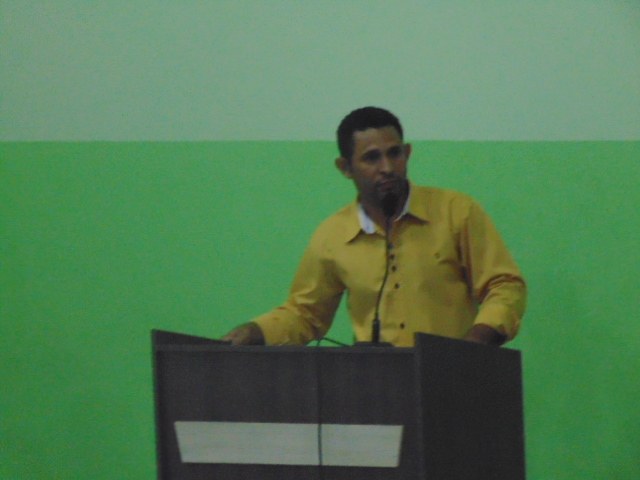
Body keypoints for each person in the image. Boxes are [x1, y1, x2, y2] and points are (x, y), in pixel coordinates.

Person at [222, 107, 526, 347]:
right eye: (371, 158)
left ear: (407, 153)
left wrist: (475, 343)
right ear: (345, 168)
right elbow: (305, 314)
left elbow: (504, 286)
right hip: (376, 386)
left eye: (394, 153)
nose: (387, 168)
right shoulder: (332, 236)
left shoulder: (456, 212)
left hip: (454, 378)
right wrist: (256, 331)